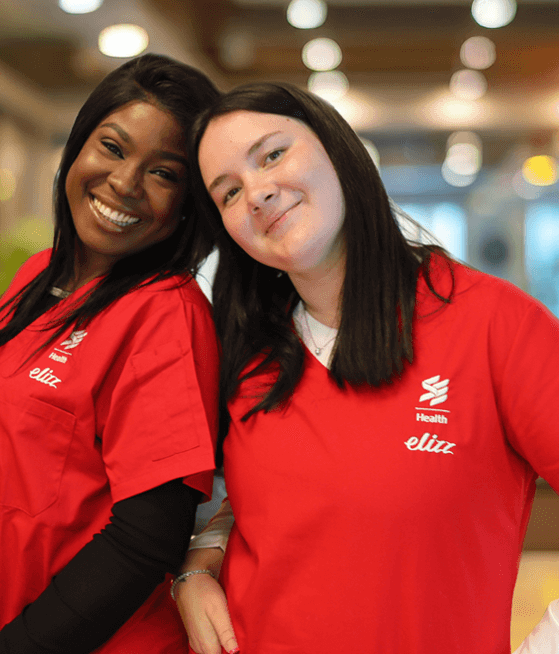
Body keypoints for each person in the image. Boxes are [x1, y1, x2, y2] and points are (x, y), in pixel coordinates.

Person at [169, 81, 559, 654]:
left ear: (336, 148)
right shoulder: (250, 355)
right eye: (228, 193)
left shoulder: (492, 321)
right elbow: (268, 504)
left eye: (272, 154)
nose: (255, 193)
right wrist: (196, 568)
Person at [0, 54, 221, 654]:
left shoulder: (165, 312)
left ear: (188, 203)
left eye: (164, 172)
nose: (125, 182)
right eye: (112, 146)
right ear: (78, 147)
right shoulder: (33, 279)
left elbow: (145, 539)